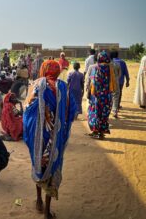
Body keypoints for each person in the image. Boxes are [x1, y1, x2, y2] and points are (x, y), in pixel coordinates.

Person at [23, 60, 76, 219]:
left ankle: (38, 201)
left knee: (38, 163)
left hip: (38, 136)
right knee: (52, 168)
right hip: (55, 137)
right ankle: (46, 211)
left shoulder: (35, 85)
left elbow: (27, 111)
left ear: (43, 69)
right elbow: (71, 112)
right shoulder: (63, 87)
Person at [86, 51, 115, 139]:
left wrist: (88, 92)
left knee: (95, 113)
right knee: (103, 115)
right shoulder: (110, 68)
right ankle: (101, 133)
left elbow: (91, 82)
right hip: (107, 97)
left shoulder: (95, 67)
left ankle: (95, 131)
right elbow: (113, 83)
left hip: (96, 96)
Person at [110, 51, 122, 118]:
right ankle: (114, 111)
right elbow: (120, 74)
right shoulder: (117, 64)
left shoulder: (107, 65)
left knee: (109, 96)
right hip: (116, 82)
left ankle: (108, 110)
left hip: (108, 82)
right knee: (116, 96)